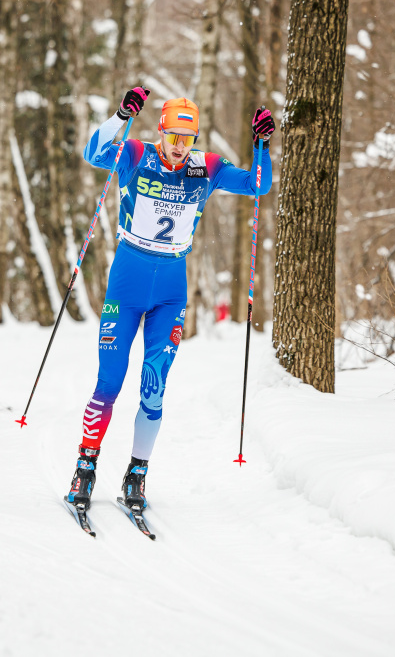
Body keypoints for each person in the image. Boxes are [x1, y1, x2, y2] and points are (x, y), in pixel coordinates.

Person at [66, 87, 276, 512]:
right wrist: (121, 116)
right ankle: (85, 468)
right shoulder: (136, 154)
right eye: (174, 137)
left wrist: (261, 146)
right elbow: (93, 152)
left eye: (189, 139)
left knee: (154, 387)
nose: (181, 147)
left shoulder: (207, 167)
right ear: (160, 132)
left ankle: (137, 474)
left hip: (170, 291)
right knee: (109, 381)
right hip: (126, 282)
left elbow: (258, 185)